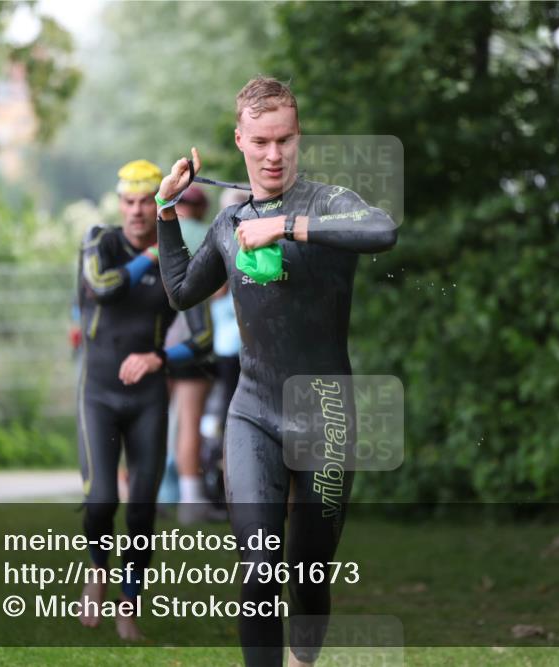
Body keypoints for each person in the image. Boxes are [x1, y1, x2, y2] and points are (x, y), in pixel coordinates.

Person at [155, 77, 397, 667]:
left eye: (284, 139)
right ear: (240, 139)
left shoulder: (329, 202)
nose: (272, 154)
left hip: (327, 419)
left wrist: (285, 226)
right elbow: (183, 291)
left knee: (308, 573)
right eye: (260, 140)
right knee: (259, 569)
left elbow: (383, 230)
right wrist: (165, 210)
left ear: (297, 137)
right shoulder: (227, 223)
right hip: (253, 413)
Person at [75, 159, 212, 641]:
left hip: (148, 398)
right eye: (129, 202)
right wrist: (147, 260)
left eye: (145, 202)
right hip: (98, 393)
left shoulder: (175, 260)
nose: (136, 212)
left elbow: (203, 339)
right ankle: (97, 571)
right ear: (119, 205)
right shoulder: (100, 240)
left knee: (141, 510)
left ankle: (128, 606)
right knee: (100, 500)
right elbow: (102, 287)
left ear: (158, 204)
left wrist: (157, 358)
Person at [163, 185, 224, 524]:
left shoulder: (157, 234)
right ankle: (189, 501)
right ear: (202, 208)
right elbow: (221, 291)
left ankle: (144, 494)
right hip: (192, 340)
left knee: (150, 421)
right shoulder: (208, 233)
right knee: (189, 420)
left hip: (153, 341)